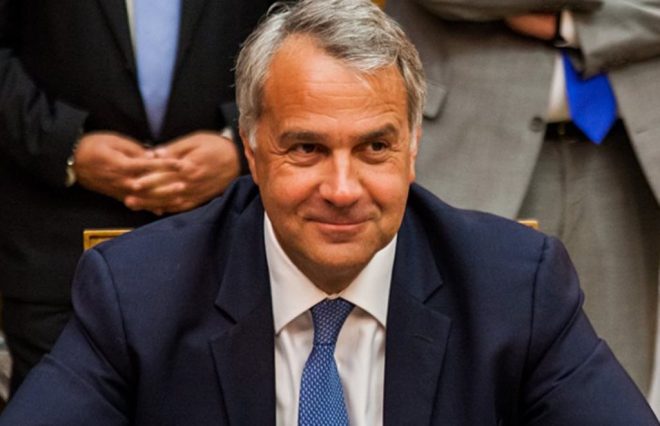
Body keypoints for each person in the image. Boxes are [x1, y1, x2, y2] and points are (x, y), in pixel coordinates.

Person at [1, 0, 657, 423]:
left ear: (413, 147)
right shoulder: (139, 292)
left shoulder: (514, 286)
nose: (343, 189)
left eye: (375, 148)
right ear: (252, 151)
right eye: (307, 149)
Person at [385, 0, 660, 399]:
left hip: (620, 155)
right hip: (472, 147)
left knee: (611, 386)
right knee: (458, 374)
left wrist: (566, 25)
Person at [0, 0, 276, 394]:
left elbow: (301, 32)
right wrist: (62, 145)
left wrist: (242, 142)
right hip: (56, 248)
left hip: (229, 244)